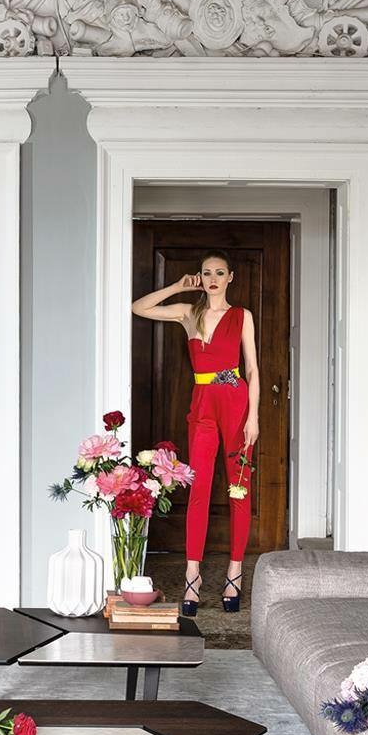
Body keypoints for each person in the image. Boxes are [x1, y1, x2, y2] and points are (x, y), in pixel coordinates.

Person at [132, 255, 261, 616]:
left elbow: (252, 369)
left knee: (238, 487)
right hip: (202, 404)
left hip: (235, 402)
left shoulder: (242, 316)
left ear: (230, 277)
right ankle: (193, 574)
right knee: (199, 488)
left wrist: (253, 417)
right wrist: (177, 286)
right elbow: (139, 307)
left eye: (220, 272)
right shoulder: (188, 313)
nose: (213, 278)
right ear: (200, 278)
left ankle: (235, 571)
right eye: (207, 273)